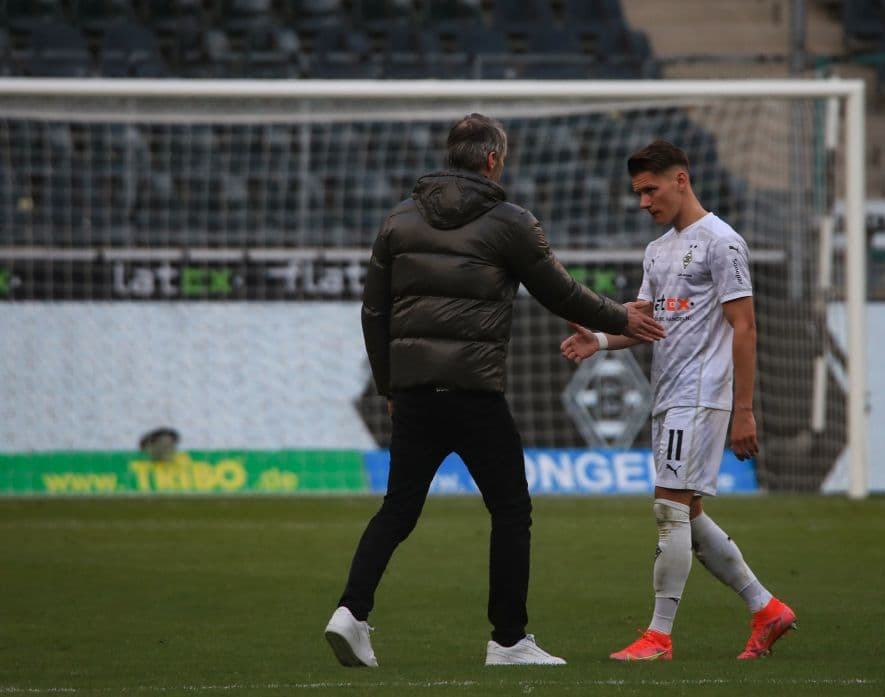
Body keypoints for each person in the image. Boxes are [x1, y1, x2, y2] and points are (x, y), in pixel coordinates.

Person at [324, 114, 665, 668]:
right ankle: (508, 641)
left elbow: (373, 313)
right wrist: (621, 317)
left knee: (398, 508)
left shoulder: (398, 220)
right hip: (473, 392)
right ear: (491, 160)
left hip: (412, 393)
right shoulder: (509, 222)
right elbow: (561, 294)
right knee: (510, 509)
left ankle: (350, 612)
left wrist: (390, 383)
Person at [560, 140, 797, 662]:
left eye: (651, 189)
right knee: (686, 513)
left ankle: (658, 637)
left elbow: (745, 327)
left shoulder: (722, 243)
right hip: (669, 395)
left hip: (702, 395)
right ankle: (767, 609)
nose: (644, 202)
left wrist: (743, 409)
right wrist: (598, 340)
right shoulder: (657, 250)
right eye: (638, 193)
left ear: (681, 179)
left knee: (669, 510)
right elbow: (647, 325)